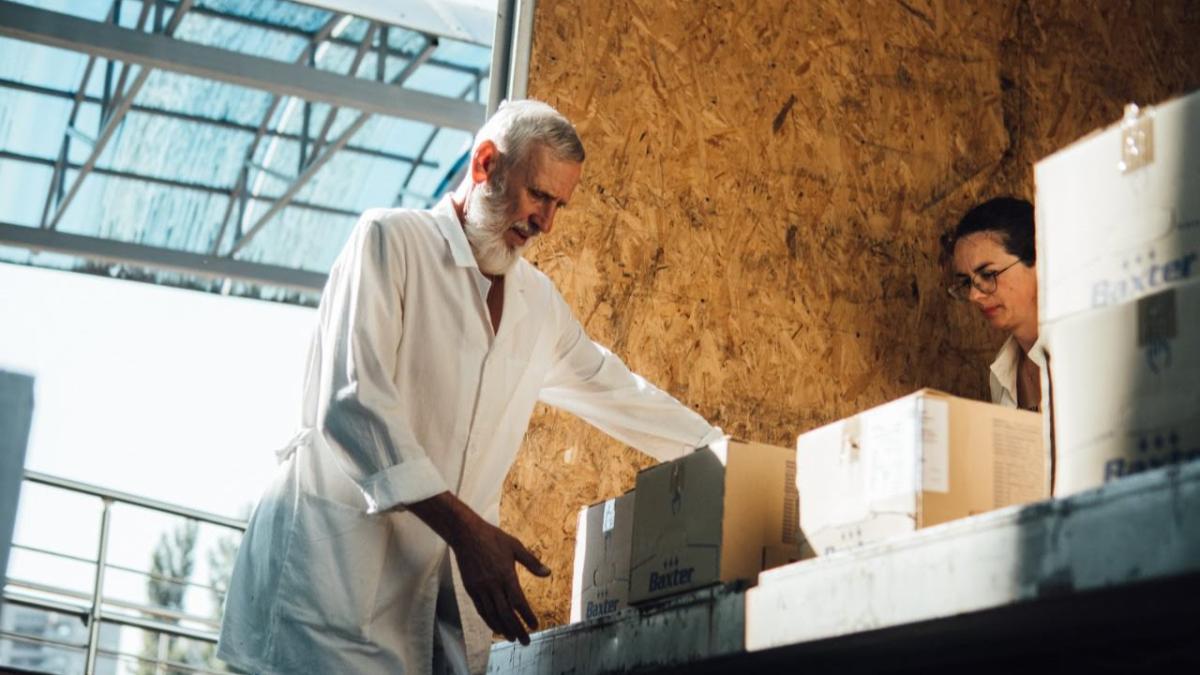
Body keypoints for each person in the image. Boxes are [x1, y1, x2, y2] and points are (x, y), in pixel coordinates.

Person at [216, 100, 722, 675]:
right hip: (330, 588)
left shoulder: (537, 305)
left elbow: (616, 389)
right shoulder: (390, 241)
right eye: (538, 195)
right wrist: (469, 532)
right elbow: (353, 403)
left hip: (429, 596)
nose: (545, 223)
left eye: (559, 205)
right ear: (485, 164)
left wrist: (719, 451)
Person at [944, 196, 1044, 411]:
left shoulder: (1082, 351)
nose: (974, 296)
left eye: (988, 274)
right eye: (966, 282)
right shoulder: (1000, 371)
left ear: (1039, 260)